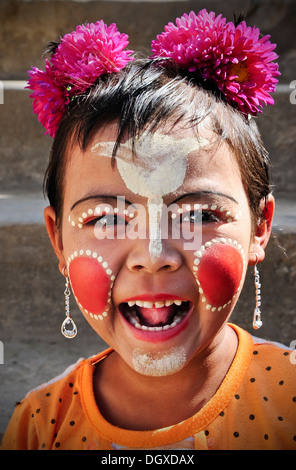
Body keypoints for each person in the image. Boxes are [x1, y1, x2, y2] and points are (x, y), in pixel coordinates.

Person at [1, 9, 295, 451]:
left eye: (198, 215)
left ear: (260, 227)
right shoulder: (41, 426)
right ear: (58, 239)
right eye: (106, 219)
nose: (153, 253)